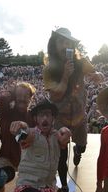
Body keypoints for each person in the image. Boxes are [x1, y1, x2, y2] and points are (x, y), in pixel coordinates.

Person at [11, 99, 80, 192]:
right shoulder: (30, 134)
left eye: (48, 115)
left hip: (50, 189)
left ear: (53, 118)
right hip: (28, 187)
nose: (45, 118)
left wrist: (66, 132)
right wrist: (20, 127)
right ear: (35, 119)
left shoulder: (57, 136)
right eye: (41, 115)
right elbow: (20, 135)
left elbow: (63, 140)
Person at [43, 27, 104, 181]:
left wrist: (98, 75)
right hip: (59, 118)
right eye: (61, 42)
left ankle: (78, 151)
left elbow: (98, 75)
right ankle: (63, 185)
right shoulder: (50, 69)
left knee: (82, 146)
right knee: (61, 155)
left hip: (79, 116)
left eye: (67, 42)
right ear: (53, 45)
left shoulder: (81, 62)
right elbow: (55, 96)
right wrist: (65, 75)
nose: (64, 46)